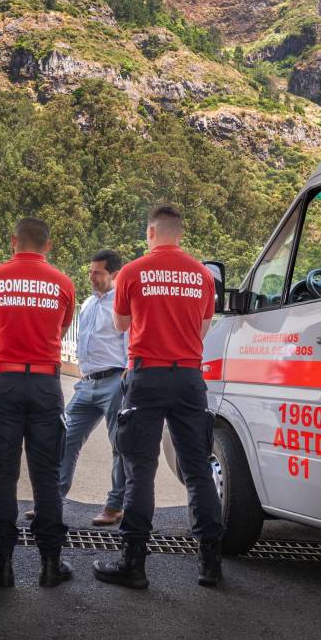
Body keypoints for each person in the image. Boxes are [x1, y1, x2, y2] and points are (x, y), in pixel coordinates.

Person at [94, 205, 225, 589]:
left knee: (140, 471)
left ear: (151, 232)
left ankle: (134, 564)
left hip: (146, 376)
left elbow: (120, 324)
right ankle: (211, 565)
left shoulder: (133, 272)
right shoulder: (202, 275)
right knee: (198, 469)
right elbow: (202, 330)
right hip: (187, 377)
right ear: (179, 234)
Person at [0, 217, 76, 588]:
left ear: (14, 241)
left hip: (5, 383)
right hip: (47, 384)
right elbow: (61, 329)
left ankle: (1, 565)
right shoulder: (64, 283)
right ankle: (51, 564)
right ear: (48, 245)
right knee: (46, 477)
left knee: (2, 477)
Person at [54, 249, 128, 526]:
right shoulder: (87, 304)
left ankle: (114, 506)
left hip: (115, 381)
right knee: (64, 437)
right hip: (86, 384)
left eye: (97, 273)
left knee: (120, 446)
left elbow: (131, 341)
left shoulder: (123, 304)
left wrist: (126, 377)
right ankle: (53, 500)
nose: (91, 277)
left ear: (115, 274)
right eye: (90, 272)